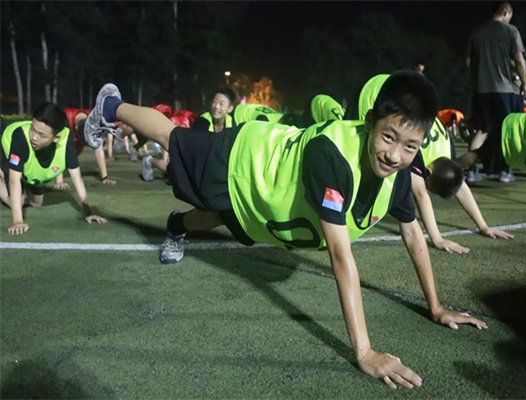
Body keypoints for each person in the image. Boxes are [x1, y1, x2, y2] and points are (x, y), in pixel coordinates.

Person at [84, 71, 487, 389]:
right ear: (369, 122)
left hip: (268, 208)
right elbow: (341, 257)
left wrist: (436, 307)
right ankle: (112, 106)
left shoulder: (399, 173)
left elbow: (413, 235)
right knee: (175, 139)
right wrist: (364, 352)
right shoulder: (332, 157)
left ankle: (177, 224)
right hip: (247, 160)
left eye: (410, 146)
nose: (395, 155)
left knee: (222, 217)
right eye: (388, 137)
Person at [359, 73, 513, 254]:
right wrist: (437, 239)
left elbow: (460, 186)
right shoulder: (419, 158)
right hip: (373, 94)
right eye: (430, 187)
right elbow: (420, 194)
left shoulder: (447, 150)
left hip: (404, 92)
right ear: (429, 172)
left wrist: (484, 226)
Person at [1, 103, 107, 235]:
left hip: (30, 165)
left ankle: (24, 185)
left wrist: (88, 212)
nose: (34, 137)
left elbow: (76, 178)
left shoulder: (66, 140)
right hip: (5, 150)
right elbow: (14, 180)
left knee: (36, 203)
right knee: (17, 202)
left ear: (56, 138)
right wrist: (18, 221)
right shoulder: (20, 136)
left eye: (42, 135)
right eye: (32, 129)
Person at [466, 1, 526, 183]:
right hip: (505, 90)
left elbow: (468, 62)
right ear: (506, 12)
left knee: (481, 130)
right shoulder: (511, 31)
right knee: (505, 131)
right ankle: (504, 171)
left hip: (481, 90)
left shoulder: (476, 32)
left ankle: (472, 171)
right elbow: (519, 59)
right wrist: (524, 83)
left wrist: (474, 84)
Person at [54, 107, 117, 189]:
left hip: (77, 137)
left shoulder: (94, 123)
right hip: (53, 139)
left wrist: (104, 177)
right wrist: (59, 181)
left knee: (72, 160)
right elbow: (58, 148)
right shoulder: (64, 118)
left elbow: (98, 149)